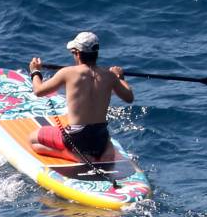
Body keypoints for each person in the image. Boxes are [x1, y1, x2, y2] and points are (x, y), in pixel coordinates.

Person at [27, 32, 134, 163]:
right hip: (99, 138)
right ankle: (105, 154)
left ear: (77, 53)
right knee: (104, 139)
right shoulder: (109, 76)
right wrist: (120, 78)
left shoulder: (67, 72)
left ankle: (76, 156)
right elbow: (129, 97)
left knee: (32, 140)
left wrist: (35, 71)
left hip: (76, 139)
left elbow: (38, 91)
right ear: (96, 53)